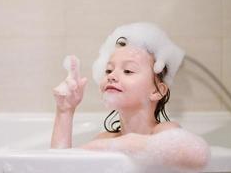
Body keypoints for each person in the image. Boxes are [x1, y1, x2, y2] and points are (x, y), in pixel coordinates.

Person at [50, 23, 210, 171]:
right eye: (108, 70)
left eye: (128, 71)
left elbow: (198, 154)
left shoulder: (164, 131)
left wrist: (117, 145)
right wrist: (65, 111)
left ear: (157, 91)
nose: (112, 76)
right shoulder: (104, 138)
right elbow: (58, 168)